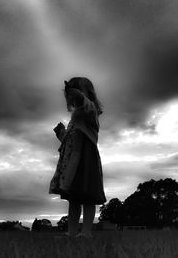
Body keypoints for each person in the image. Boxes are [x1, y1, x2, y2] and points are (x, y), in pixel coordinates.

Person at [49, 77, 107, 239]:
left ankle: (86, 232)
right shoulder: (74, 119)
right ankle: (72, 232)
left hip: (87, 160)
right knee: (73, 198)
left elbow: (86, 105)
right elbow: (71, 141)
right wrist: (61, 134)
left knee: (88, 197)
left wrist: (80, 96)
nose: (73, 96)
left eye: (78, 90)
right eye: (71, 93)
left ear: (89, 94)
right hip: (73, 162)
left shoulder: (90, 112)